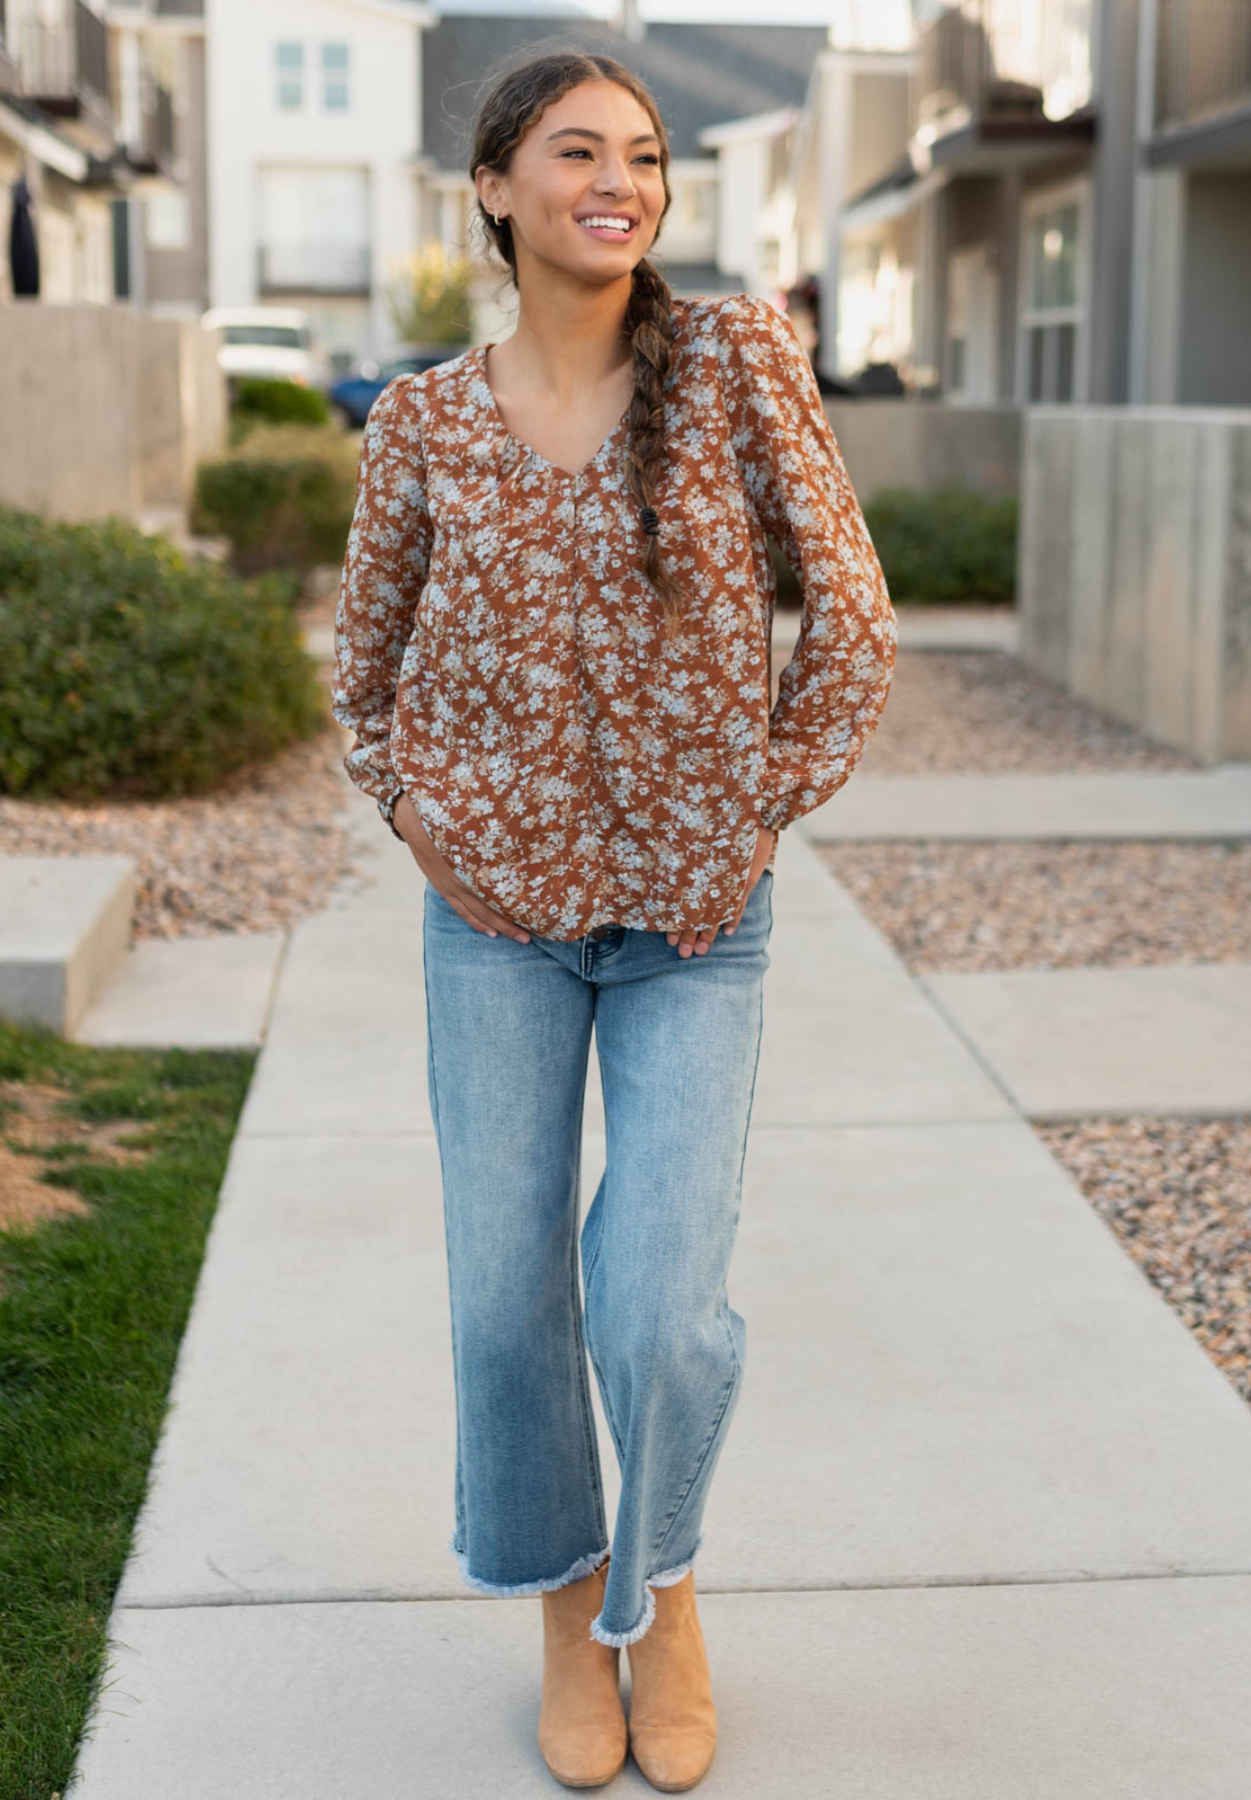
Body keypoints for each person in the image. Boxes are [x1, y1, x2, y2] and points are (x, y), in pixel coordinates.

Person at [331, 46, 897, 1792]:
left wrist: (746, 805)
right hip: (490, 927)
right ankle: (571, 1605)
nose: (619, 180)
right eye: (574, 151)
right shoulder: (423, 420)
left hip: (692, 926)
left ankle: (663, 1582)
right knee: (506, 1302)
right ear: (493, 187)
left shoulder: (731, 363)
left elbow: (855, 624)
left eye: (642, 155)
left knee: (657, 1303)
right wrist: (424, 823)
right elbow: (361, 677)